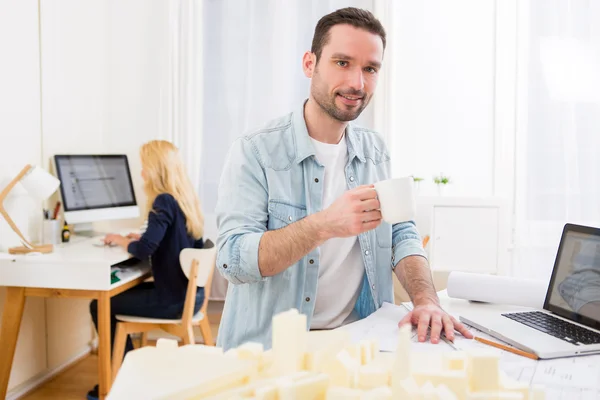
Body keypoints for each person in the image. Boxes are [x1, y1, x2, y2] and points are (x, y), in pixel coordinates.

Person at [215, 7, 472, 351]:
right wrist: (324, 225)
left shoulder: (375, 151)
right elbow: (233, 260)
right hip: (271, 351)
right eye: (342, 63)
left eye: (370, 68)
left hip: (359, 344)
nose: (357, 83)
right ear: (310, 64)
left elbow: (401, 233)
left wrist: (426, 300)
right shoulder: (256, 151)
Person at [87, 140, 205, 400]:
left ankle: (125, 378)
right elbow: (171, 240)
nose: (141, 173)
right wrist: (136, 239)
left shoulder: (163, 201)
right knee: (114, 299)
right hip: (191, 296)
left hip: (173, 300)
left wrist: (123, 241)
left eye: (144, 167)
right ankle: (129, 372)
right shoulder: (185, 199)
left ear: (155, 170)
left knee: (100, 305)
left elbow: (145, 249)